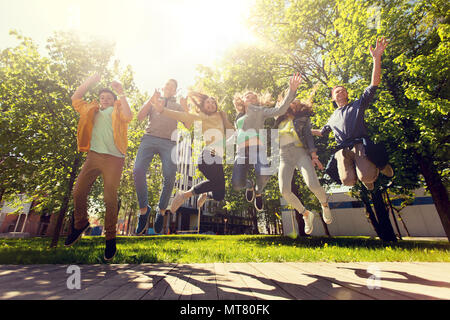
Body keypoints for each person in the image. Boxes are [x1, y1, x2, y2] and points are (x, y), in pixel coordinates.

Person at [65, 73, 133, 261]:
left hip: (114, 158)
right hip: (94, 156)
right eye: (102, 97)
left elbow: (129, 116)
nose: (105, 100)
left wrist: (121, 93)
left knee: (110, 198)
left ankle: (110, 238)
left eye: (109, 98)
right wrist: (89, 81)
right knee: (78, 191)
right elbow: (75, 98)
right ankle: (80, 223)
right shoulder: (91, 109)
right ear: (99, 99)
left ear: (113, 100)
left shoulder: (118, 109)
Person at [312, 37, 393, 191]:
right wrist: (304, 130)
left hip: (359, 145)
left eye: (343, 90)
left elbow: (374, 83)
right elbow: (322, 132)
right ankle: (365, 174)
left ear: (347, 95)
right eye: (337, 91)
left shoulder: (357, 104)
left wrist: (376, 58)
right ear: (333, 97)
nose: (340, 92)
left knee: (366, 176)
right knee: (347, 181)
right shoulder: (332, 116)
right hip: (342, 150)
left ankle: (379, 167)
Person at [152, 91, 234, 213]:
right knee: (217, 183)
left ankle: (205, 193)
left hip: (216, 159)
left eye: (213, 102)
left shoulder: (220, 115)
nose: (211, 104)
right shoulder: (202, 116)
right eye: (208, 102)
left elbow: (231, 131)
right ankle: (184, 195)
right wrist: (163, 110)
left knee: (219, 195)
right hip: (208, 156)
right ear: (203, 106)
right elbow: (184, 116)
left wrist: (225, 118)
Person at [232, 73, 302, 212]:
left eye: (254, 97)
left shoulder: (261, 111)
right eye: (248, 97)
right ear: (243, 100)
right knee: (237, 184)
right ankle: (249, 185)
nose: (251, 98)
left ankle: (258, 191)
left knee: (264, 174)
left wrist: (291, 91)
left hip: (257, 149)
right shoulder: (239, 116)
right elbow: (236, 134)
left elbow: (280, 110)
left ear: (257, 102)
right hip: (241, 152)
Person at [133, 79, 187, 235]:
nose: (169, 88)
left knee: (170, 177)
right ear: (163, 88)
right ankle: (144, 210)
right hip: (149, 138)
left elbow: (188, 124)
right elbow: (140, 116)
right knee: (137, 170)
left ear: (175, 91)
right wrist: (151, 98)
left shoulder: (176, 106)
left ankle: (161, 211)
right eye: (167, 85)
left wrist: (185, 106)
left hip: (169, 143)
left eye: (173, 87)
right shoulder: (154, 101)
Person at [274, 98, 332, 235]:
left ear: (299, 105)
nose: (292, 103)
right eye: (290, 101)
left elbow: (308, 136)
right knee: (284, 191)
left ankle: (324, 204)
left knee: (313, 184)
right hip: (284, 156)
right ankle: (305, 214)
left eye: (295, 101)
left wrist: (314, 156)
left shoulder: (303, 118)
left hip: (300, 153)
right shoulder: (279, 118)